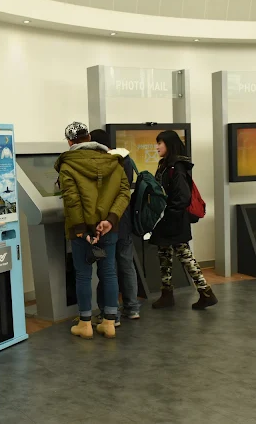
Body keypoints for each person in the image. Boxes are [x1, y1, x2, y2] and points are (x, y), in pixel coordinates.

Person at [55, 122, 131, 339]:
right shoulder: (113, 161)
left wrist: (81, 229)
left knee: (83, 275)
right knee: (108, 272)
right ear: (89, 137)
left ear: (70, 142)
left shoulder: (67, 165)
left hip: (82, 230)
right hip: (109, 228)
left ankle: (85, 323)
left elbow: (72, 200)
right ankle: (109, 322)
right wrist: (110, 219)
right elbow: (124, 193)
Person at [149, 130, 218, 310]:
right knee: (165, 254)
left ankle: (205, 292)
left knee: (184, 255)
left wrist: (168, 214)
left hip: (174, 219)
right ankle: (168, 293)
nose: (157, 147)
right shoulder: (166, 164)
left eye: (160, 143)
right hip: (167, 218)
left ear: (169, 145)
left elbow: (182, 197)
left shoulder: (176, 167)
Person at [89, 129, 141, 327]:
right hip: (125, 219)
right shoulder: (125, 159)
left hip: (107, 222)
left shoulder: (102, 162)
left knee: (107, 268)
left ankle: (109, 314)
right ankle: (132, 308)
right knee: (127, 265)